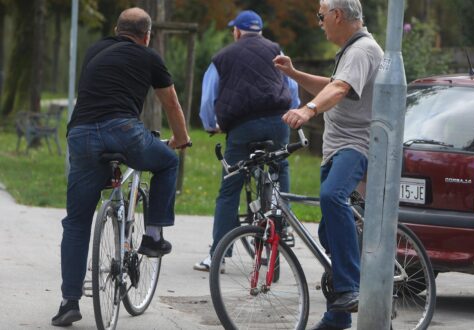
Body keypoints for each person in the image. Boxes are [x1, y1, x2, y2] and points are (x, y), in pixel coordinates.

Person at [51, 7, 191, 327]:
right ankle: (154, 236)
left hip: (82, 133)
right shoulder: (149, 56)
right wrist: (181, 139)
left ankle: (69, 302)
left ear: (116, 29)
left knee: (76, 221)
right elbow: (171, 103)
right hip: (124, 132)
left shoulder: (95, 49)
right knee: (168, 162)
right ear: (147, 36)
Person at [273, 0, 383, 329]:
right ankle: (338, 317)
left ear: (336, 15)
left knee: (333, 197)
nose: (319, 23)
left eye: (321, 17)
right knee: (329, 231)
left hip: (355, 146)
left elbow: (339, 88)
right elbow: (331, 84)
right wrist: (293, 74)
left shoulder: (362, 50)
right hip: (336, 149)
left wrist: (308, 110)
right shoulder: (351, 52)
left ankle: (352, 288)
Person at [193, 10, 300, 272]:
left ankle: (218, 254)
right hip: (278, 122)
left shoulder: (222, 57)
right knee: (279, 167)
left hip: (242, 126)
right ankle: (282, 227)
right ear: (260, 31)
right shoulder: (276, 49)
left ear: (238, 31)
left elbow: (208, 98)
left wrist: (211, 125)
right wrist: (294, 110)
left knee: (230, 187)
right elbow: (292, 87)